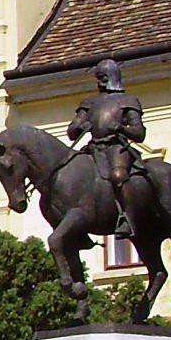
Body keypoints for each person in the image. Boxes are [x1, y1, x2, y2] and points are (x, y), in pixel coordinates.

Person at [67, 58, 146, 236]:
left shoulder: (128, 100)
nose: (99, 81)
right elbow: (72, 131)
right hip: (93, 148)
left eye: (102, 77)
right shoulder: (89, 103)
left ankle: (127, 217)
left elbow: (139, 133)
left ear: (112, 77)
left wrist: (120, 128)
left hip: (116, 147)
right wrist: (79, 126)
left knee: (118, 175)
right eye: (97, 77)